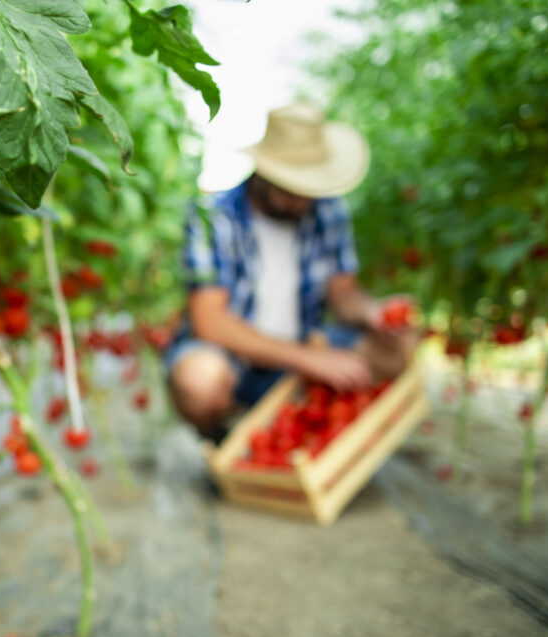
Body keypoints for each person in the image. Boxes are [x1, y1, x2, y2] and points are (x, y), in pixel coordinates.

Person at [165, 101, 417, 443]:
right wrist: (311, 359)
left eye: (309, 189)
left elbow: (343, 293)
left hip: (303, 350)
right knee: (199, 380)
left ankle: (306, 425)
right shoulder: (212, 217)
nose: (302, 200)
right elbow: (210, 322)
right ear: (264, 173)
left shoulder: (327, 211)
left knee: (401, 346)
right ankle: (225, 431)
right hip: (236, 361)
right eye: (291, 188)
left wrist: (373, 312)